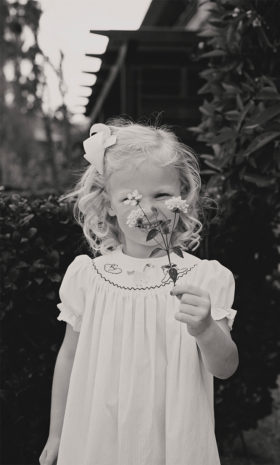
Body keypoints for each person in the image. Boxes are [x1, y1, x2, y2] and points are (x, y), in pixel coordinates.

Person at [39, 122, 238, 465]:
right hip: (99, 436)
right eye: (131, 198)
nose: (148, 210)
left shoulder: (204, 279)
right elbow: (69, 357)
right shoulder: (90, 277)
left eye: (161, 195)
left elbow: (225, 367)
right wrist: (57, 432)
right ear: (109, 205)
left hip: (169, 440)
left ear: (183, 197)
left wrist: (205, 329)